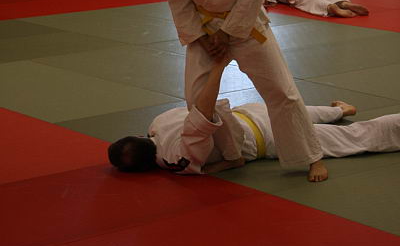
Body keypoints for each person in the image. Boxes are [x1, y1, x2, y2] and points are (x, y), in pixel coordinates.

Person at [155, 0, 328, 182]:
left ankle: (311, 157)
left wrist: (227, 33)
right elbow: (178, 2)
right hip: (205, 29)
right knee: (197, 100)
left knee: (281, 91)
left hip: (246, 24)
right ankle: (232, 153)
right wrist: (201, 38)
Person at [108, 58, 400, 175]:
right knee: (297, 110)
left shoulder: (172, 158)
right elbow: (196, 109)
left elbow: (204, 120)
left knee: (355, 136)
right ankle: (339, 110)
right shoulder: (157, 123)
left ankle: (347, 114)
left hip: (266, 139)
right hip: (252, 111)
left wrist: (227, 162)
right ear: (139, 136)